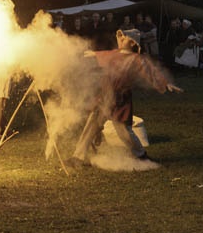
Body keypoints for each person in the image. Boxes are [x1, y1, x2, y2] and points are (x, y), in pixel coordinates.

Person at [72, 29, 183, 163]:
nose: (120, 40)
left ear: (132, 43)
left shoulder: (136, 59)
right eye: (120, 38)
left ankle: (140, 154)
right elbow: (104, 55)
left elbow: (150, 72)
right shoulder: (114, 53)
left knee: (124, 131)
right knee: (92, 124)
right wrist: (93, 54)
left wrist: (165, 84)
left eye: (124, 39)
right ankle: (78, 156)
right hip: (105, 96)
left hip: (119, 99)